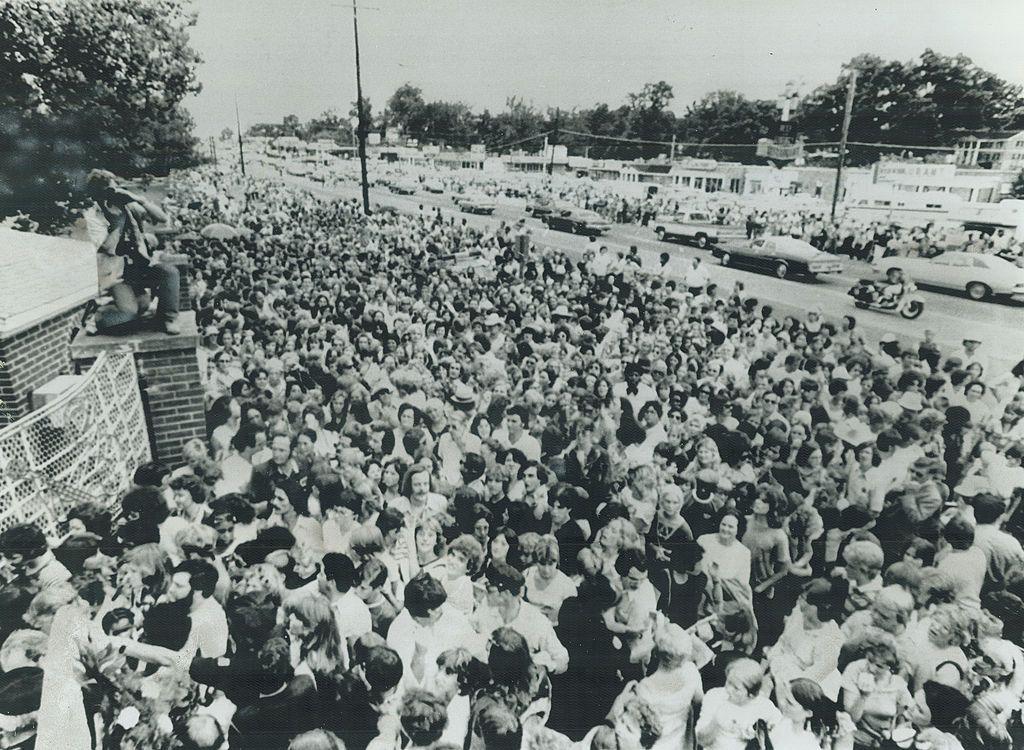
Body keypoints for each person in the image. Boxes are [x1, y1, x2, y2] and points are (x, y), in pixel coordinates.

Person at [78, 169, 181, 335]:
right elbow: (109, 248)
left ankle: (168, 319)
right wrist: (118, 222)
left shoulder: (128, 206)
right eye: (109, 191)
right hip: (116, 273)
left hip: (138, 266)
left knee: (168, 274)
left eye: (115, 188)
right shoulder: (93, 215)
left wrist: (138, 199)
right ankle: (96, 316)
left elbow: (162, 218)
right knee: (129, 313)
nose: (114, 194)